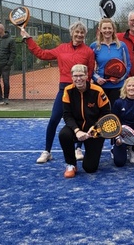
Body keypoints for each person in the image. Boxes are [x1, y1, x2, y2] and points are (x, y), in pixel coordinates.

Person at [21, 21, 95, 164]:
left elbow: (90, 72)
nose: (79, 35)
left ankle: (78, 148)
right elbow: (41, 54)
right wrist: (28, 39)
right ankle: (47, 151)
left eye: (82, 33)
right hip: (64, 89)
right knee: (54, 119)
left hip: (81, 90)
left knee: (82, 120)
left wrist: (86, 89)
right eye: (77, 32)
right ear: (72, 33)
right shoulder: (61, 48)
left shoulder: (88, 52)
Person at [58, 64, 111, 178]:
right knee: (64, 134)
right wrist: (77, 131)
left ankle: (92, 152)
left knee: (90, 168)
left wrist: (96, 128)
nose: (78, 79)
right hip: (76, 127)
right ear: (71, 77)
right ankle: (71, 164)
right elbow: (67, 115)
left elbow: (106, 113)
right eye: (75, 76)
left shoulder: (97, 90)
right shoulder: (68, 91)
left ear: (87, 76)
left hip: (94, 130)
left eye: (81, 75)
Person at [90, 18, 131, 105]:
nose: (107, 30)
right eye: (104, 28)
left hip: (118, 86)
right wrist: (97, 78)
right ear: (100, 30)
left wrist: (119, 79)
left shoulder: (121, 46)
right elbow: (89, 67)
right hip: (100, 87)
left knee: (116, 114)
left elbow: (128, 65)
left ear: (113, 29)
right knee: (102, 114)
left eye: (109, 28)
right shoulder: (94, 46)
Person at [111, 76, 134, 166]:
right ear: (125, 88)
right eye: (129, 86)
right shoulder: (118, 102)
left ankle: (133, 150)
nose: (131, 88)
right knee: (119, 163)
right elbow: (114, 121)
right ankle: (114, 148)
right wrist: (116, 137)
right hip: (121, 133)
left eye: (133, 86)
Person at [0, 24, 16, 105]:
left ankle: (6, 98)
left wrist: (8, 64)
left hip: (5, 66)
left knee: (6, 82)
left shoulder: (10, 40)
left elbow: (13, 53)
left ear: (1, 29)